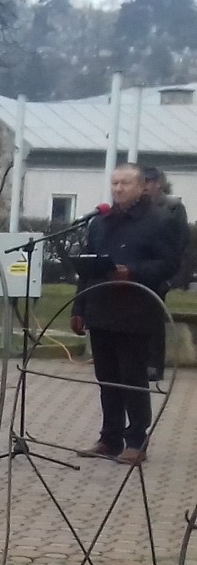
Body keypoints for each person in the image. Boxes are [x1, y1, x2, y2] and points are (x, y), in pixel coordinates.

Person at [72, 163, 181, 465]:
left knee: (131, 378)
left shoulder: (160, 221)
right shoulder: (100, 222)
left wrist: (132, 271)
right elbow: (88, 268)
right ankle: (110, 437)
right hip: (101, 309)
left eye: (125, 183)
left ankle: (136, 440)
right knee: (106, 377)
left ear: (142, 186)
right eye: (115, 183)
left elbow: (170, 264)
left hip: (136, 311)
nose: (118, 189)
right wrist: (78, 308)